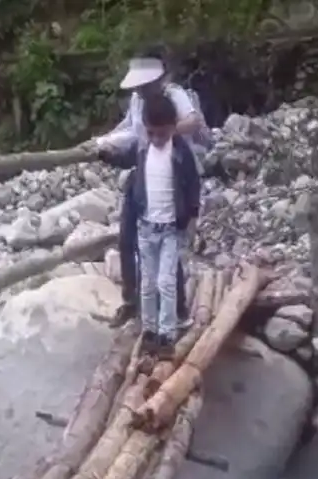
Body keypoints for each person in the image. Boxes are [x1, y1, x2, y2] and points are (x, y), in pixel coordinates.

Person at [89, 45, 207, 329]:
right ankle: (132, 302)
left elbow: (193, 121)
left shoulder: (173, 94)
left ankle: (176, 311)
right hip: (142, 175)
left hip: (170, 179)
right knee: (127, 239)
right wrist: (100, 143)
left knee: (166, 246)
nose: (140, 89)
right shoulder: (137, 101)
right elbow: (130, 131)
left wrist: (164, 132)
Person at [98, 92, 201, 358]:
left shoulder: (180, 152)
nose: (156, 139)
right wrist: (104, 153)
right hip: (146, 227)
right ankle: (150, 331)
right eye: (152, 133)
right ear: (146, 129)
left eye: (162, 134)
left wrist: (192, 217)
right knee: (147, 283)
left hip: (169, 229)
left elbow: (193, 186)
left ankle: (167, 334)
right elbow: (123, 157)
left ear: (172, 127)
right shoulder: (142, 148)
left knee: (166, 281)